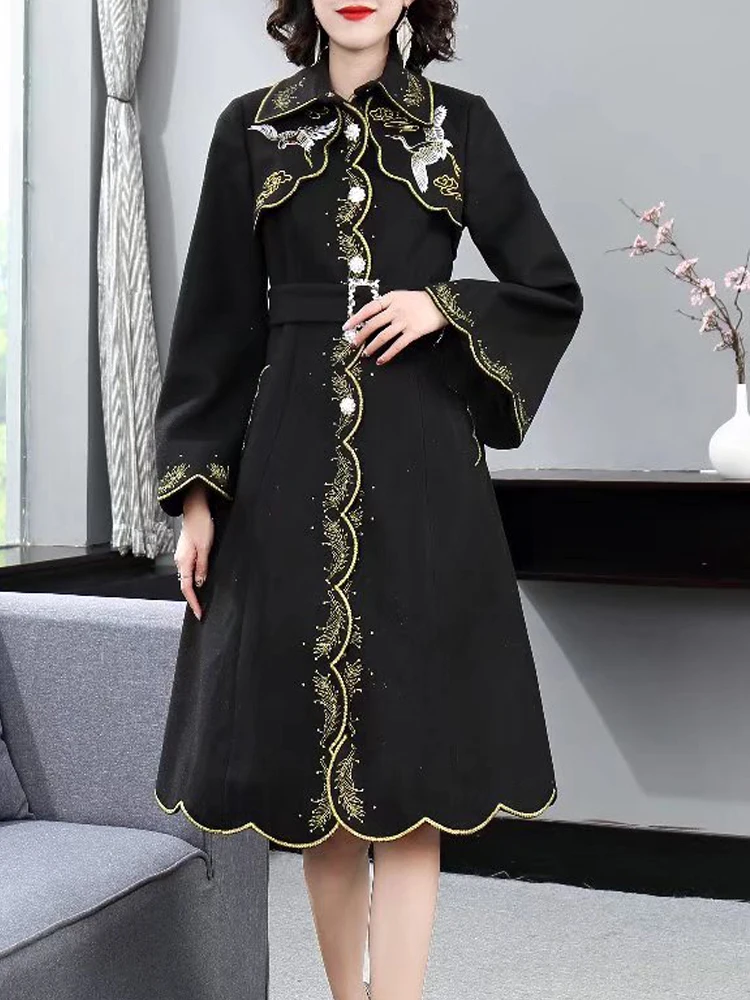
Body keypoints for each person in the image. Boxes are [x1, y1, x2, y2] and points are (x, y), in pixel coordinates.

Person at [152, 2, 584, 999]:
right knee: (320, 786)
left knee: (415, 778)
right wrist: (199, 498)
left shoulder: (459, 123)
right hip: (283, 468)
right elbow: (214, 321)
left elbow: (548, 288)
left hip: (424, 468)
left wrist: (442, 304)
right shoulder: (250, 126)